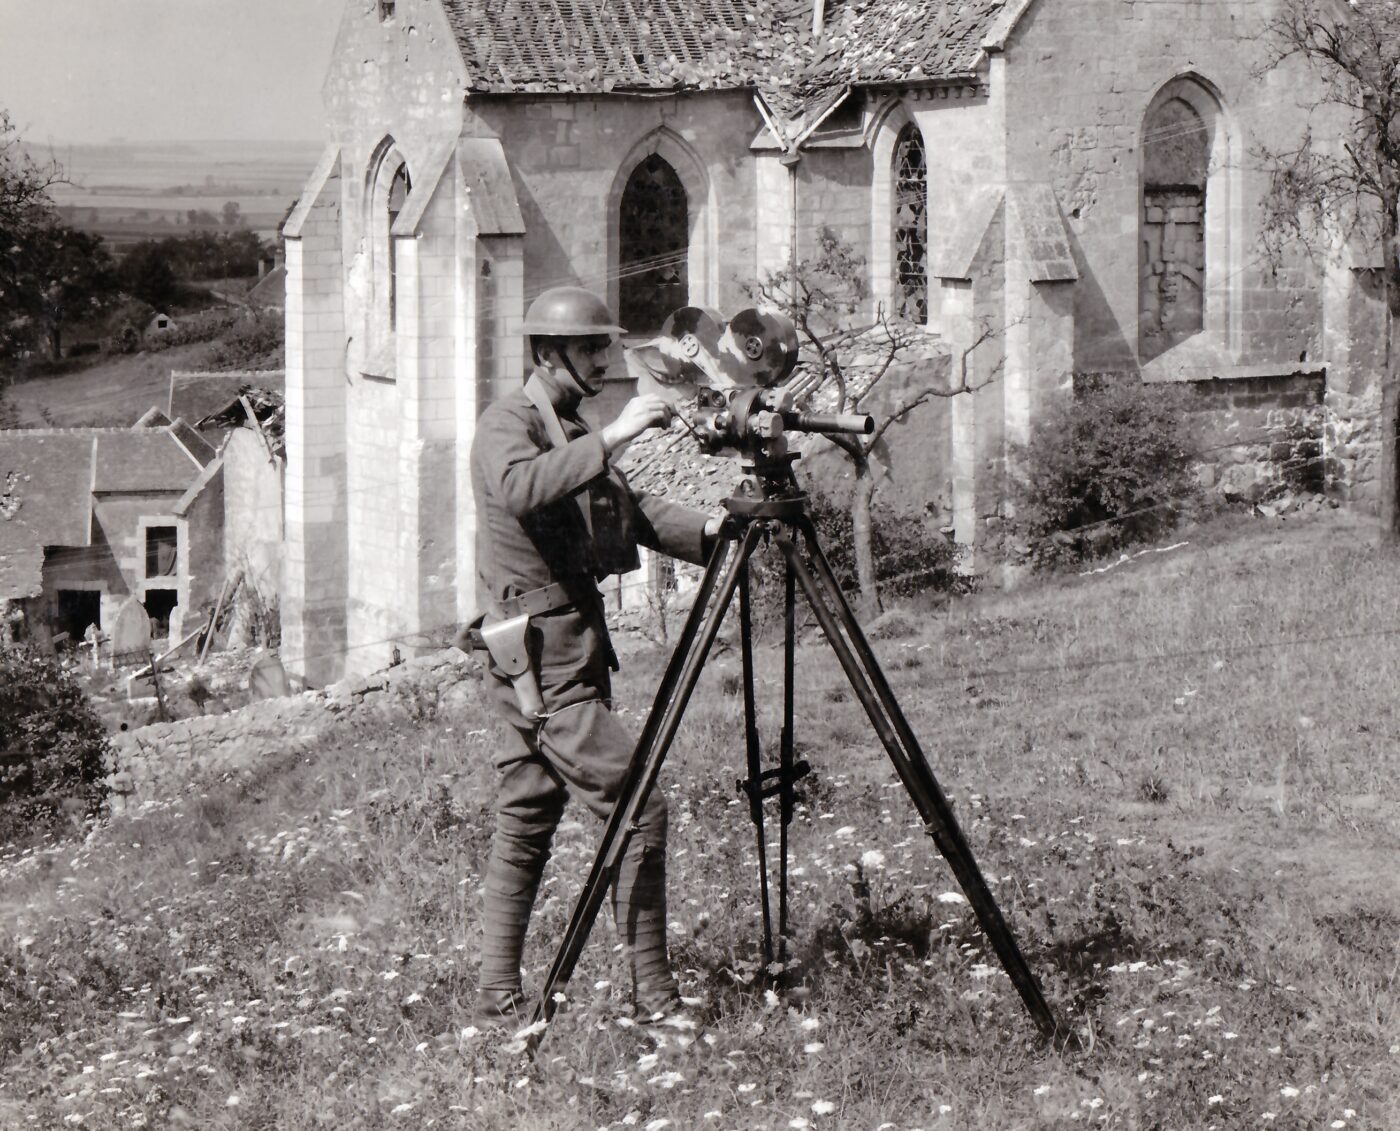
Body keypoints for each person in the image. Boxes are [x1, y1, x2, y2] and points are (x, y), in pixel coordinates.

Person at [468, 285, 722, 1029]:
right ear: (549, 354)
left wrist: (716, 532)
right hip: (542, 665)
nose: (604, 360)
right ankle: (656, 1001)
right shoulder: (506, 425)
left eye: (604, 347)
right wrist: (614, 435)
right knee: (640, 808)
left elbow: (629, 513)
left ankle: (496, 997)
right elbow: (520, 490)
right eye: (589, 350)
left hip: (558, 658)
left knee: (526, 819)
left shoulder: (569, 424)